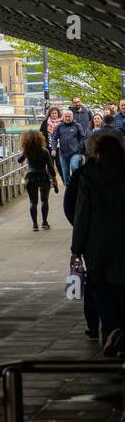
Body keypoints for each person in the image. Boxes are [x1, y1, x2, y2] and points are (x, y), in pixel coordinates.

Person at [64, 127, 123, 341]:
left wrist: (76, 248)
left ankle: (110, 328)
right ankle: (118, 329)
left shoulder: (87, 176)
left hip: (95, 242)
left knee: (99, 284)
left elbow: (81, 215)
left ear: (97, 153)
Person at [17, 130, 58, 231]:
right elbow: (50, 167)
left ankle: (35, 225)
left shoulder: (27, 151)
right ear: (40, 139)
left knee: (33, 202)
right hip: (43, 176)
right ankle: (44, 223)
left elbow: (19, 160)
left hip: (30, 177)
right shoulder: (45, 151)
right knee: (44, 201)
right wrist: (54, 178)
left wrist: (25, 150)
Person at [51, 110, 87, 181]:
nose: (67, 118)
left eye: (69, 116)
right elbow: (54, 139)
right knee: (65, 171)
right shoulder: (59, 127)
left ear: (72, 117)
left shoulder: (77, 125)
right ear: (63, 117)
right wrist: (54, 149)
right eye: (66, 117)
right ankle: (68, 187)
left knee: (74, 167)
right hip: (63, 154)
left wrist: (79, 148)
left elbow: (83, 138)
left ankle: (76, 183)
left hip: (75, 152)